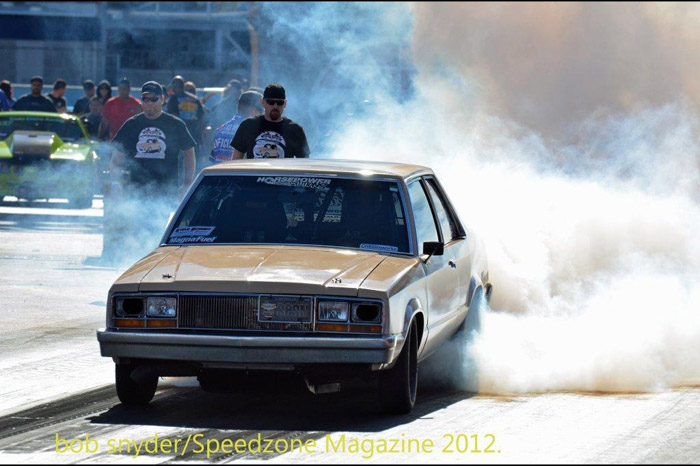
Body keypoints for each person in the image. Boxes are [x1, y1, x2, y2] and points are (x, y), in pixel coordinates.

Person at [104, 81, 197, 263]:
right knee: (137, 232)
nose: (149, 103)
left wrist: (187, 184)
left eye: (153, 99)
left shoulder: (175, 124)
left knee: (157, 231)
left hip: (164, 188)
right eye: (145, 99)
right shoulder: (132, 124)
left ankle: (152, 268)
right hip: (136, 188)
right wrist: (116, 185)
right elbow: (116, 159)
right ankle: (136, 266)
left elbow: (189, 154)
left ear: (162, 99)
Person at [231, 83, 310, 159]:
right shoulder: (247, 125)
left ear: (285, 104)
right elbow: (236, 159)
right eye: (271, 102)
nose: (275, 106)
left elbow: (305, 164)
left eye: (279, 102)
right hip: (254, 173)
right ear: (263, 102)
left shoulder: (295, 130)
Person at [209, 90, 263, 164]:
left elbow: (213, 161)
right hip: (239, 174)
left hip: (219, 174)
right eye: (261, 111)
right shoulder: (252, 131)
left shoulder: (220, 129)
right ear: (254, 110)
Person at [166, 75, 207, 169]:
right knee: (195, 164)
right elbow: (201, 119)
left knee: (180, 166)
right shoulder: (195, 99)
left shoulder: (173, 99)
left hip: (179, 138)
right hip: (194, 137)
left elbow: (173, 118)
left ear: (175, 86)